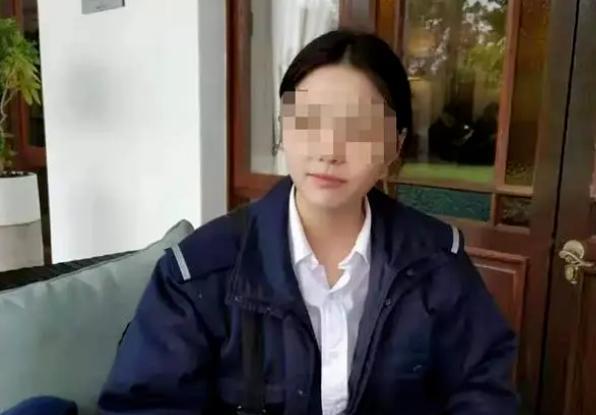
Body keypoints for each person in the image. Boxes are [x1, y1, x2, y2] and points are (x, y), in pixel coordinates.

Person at [98, 30, 517, 415]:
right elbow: (144, 405)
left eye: (359, 127)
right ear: (283, 129)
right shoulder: (197, 273)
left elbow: (483, 389)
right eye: (308, 120)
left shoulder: (437, 261)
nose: (329, 150)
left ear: (396, 145)